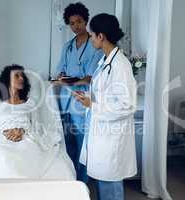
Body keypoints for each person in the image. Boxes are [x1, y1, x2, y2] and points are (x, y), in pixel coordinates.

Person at [72, 14, 137, 200]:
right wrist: (89, 98)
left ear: (101, 36)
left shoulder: (120, 65)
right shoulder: (105, 61)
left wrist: (92, 104)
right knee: (103, 180)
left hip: (111, 134)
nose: (90, 39)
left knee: (110, 182)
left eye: (92, 35)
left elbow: (126, 105)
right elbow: (106, 93)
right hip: (102, 129)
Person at [53, 2, 103, 182]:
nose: (76, 26)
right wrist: (60, 77)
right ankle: (70, 179)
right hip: (66, 99)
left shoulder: (95, 44)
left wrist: (68, 81)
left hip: (82, 99)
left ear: (86, 21)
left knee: (83, 144)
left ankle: (83, 183)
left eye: (79, 22)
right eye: (72, 23)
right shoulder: (68, 46)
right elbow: (61, 70)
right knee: (67, 143)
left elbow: (90, 77)